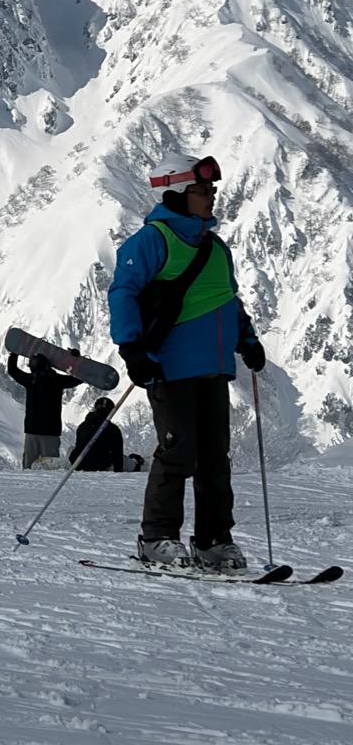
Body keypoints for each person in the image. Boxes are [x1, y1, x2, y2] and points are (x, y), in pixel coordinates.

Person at [107, 153, 265, 570]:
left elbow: (228, 299)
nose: (211, 198)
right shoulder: (151, 240)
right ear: (176, 194)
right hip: (168, 365)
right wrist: (132, 350)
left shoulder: (216, 248)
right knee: (178, 452)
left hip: (214, 367)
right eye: (202, 191)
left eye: (211, 191)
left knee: (215, 458)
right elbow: (123, 292)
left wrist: (247, 337)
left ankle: (214, 541)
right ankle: (157, 537)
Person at [6, 351, 82, 468]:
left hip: (32, 430)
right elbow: (78, 379)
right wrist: (76, 360)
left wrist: (14, 354)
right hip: (51, 432)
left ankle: (27, 485)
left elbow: (12, 370)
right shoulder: (57, 380)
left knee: (29, 467)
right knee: (51, 468)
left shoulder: (30, 380)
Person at [69, 396, 125, 472]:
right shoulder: (113, 429)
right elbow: (118, 454)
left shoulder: (83, 426)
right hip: (101, 464)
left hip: (78, 463)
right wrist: (118, 470)